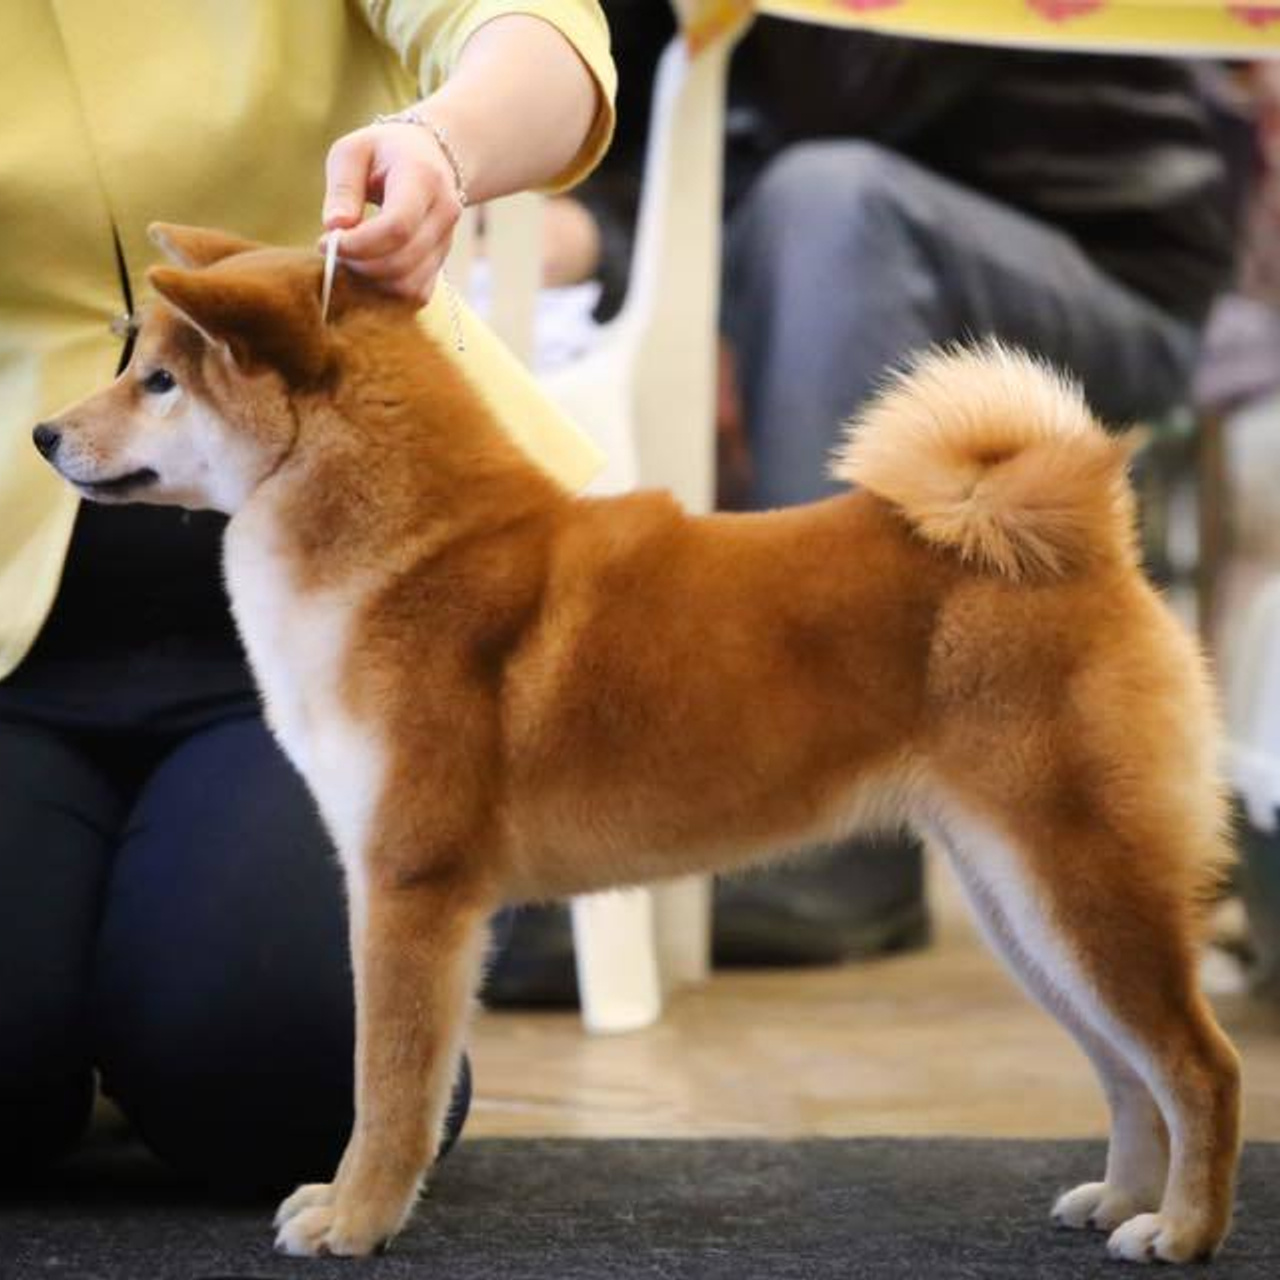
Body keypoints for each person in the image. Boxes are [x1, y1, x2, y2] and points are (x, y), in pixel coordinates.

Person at [487, 6, 1250, 997]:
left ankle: (841, 848)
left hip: (1106, 266)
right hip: (800, 235)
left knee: (829, 209)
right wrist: (592, 220)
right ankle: (602, 846)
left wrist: (625, 232)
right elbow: (626, 87)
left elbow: (845, 89)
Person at [0, 0, 615, 1193]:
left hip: (365, 630)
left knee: (281, 1078)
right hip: (17, 649)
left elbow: (537, 34)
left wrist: (440, 145)